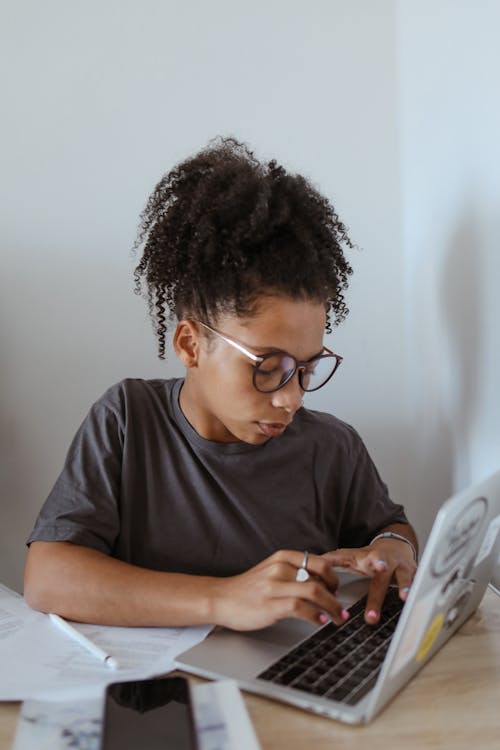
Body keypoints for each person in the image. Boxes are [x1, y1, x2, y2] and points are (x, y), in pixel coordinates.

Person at [24, 137, 418, 631]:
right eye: (267, 367)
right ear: (190, 345)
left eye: (308, 368)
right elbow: (48, 576)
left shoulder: (331, 447)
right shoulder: (127, 422)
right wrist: (222, 600)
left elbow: (391, 528)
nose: (291, 398)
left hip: (291, 685)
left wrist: (393, 548)